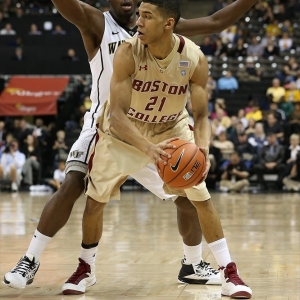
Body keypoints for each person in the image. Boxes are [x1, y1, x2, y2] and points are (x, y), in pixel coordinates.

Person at [3, 0, 258, 295]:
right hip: (111, 124)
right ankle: (36, 260)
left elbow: (215, 23)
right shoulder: (100, 25)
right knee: (76, 183)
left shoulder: (169, 31)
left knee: (189, 196)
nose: (138, 16)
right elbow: (66, 5)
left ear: (166, 23)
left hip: (162, 127)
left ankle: (194, 265)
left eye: (144, 13)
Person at [79, 1, 251, 298]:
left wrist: (203, 148)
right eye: (139, 16)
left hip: (171, 127)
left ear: (168, 24)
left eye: (146, 17)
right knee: (95, 200)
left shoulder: (193, 57)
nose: (138, 22)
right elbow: (117, 115)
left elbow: (200, 115)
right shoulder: (127, 51)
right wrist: (148, 148)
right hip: (125, 132)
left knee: (201, 196)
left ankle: (230, 273)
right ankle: (85, 267)